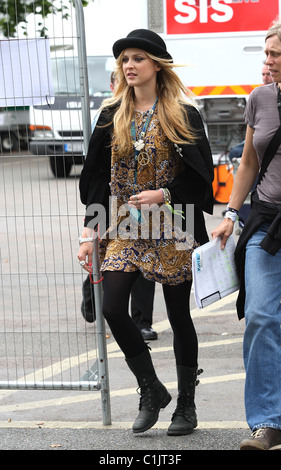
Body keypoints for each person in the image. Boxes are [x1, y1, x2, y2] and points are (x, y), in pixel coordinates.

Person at [77, 29, 213, 435]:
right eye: (124, 60)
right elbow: (97, 179)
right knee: (113, 307)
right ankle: (151, 389)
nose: (129, 66)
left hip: (174, 225)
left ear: (157, 65)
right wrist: (90, 231)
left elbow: (202, 177)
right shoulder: (111, 114)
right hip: (124, 227)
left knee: (177, 316)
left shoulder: (182, 114)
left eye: (138, 58)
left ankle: (186, 405)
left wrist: (164, 193)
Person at [211, 18, 281, 451]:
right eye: (268, 53)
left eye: (275, 54)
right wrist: (231, 214)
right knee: (260, 315)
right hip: (266, 223)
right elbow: (250, 163)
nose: (268, 61)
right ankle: (267, 422)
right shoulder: (260, 99)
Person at [83, 71, 158, 341]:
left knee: (144, 264)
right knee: (110, 262)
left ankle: (142, 322)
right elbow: (97, 171)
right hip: (116, 206)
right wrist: (90, 227)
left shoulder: (158, 111)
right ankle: (90, 290)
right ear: (114, 85)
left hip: (151, 207)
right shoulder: (105, 115)